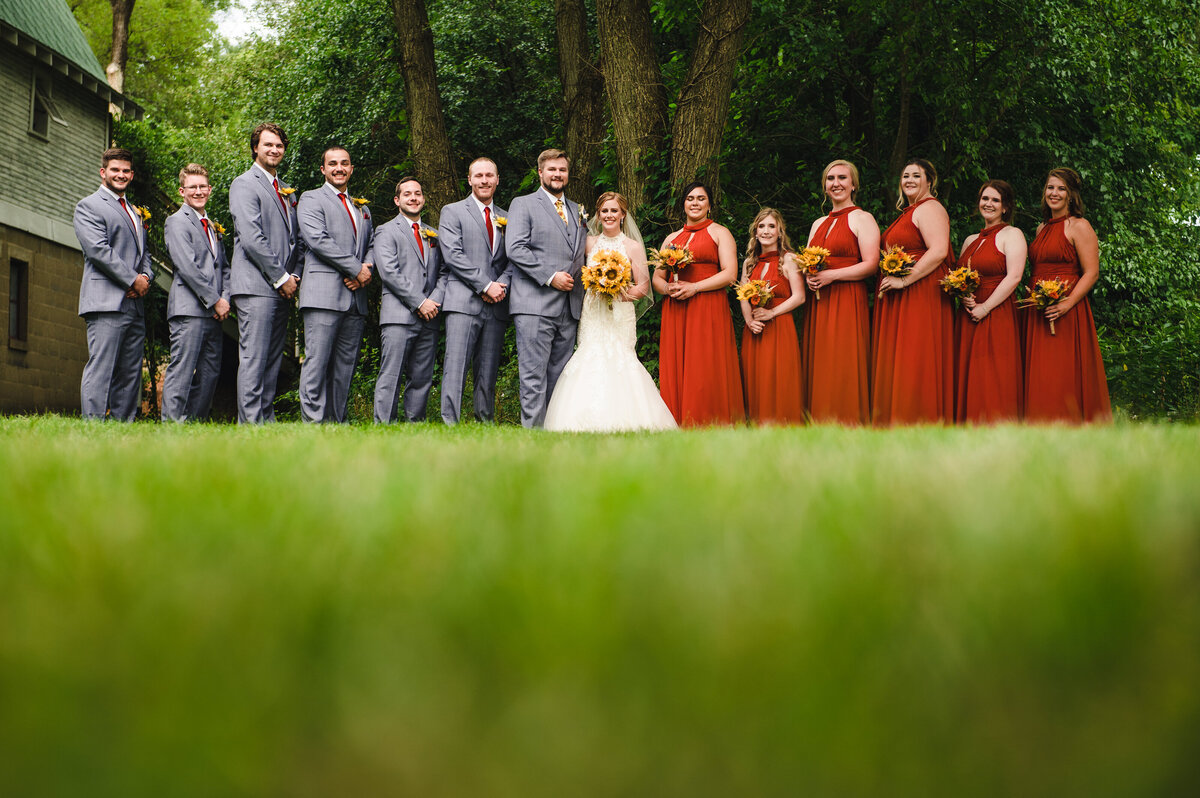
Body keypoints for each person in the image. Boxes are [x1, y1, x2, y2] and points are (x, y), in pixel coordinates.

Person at [543, 192, 677, 431]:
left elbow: (644, 286)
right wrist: (597, 285)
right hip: (594, 311)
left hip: (620, 313)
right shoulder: (589, 243)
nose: (609, 215)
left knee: (621, 358)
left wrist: (619, 292)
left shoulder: (633, 247)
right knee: (590, 354)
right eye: (604, 211)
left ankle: (630, 420)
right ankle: (581, 421)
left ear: (623, 215)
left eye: (614, 211)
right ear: (598, 214)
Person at [504, 149, 587, 428]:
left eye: (562, 170)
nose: (557, 174)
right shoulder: (523, 204)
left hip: (569, 306)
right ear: (540, 172)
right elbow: (515, 247)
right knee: (533, 376)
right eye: (552, 169)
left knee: (561, 378)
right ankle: (533, 436)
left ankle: (553, 432)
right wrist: (550, 276)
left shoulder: (577, 210)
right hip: (534, 304)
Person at [1023, 168, 1112, 422]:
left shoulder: (1079, 226)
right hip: (1038, 309)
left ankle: (1069, 422)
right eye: (1051, 188)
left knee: (1061, 371)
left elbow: (1091, 273)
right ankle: (1039, 424)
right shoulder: (1041, 228)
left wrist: (1066, 304)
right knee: (1041, 372)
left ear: (1071, 196)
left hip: (1067, 311)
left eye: (1061, 189)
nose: (1054, 193)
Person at [652, 181, 744, 425]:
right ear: (683, 204)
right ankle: (676, 420)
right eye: (690, 198)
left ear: (709, 205)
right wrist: (668, 288)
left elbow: (730, 274)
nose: (695, 203)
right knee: (678, 364)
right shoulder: (672, 238)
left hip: (707, 307)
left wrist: (695, 287)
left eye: (701, 199)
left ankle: (708, 420)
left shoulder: (720, 232)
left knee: (704, 364)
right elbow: (657, 278)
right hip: (676, 308)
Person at [871, 158, 955, 425]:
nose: (908, 180)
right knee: (903, 359)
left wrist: (905, 281)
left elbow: (939, 250)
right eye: (905, 176)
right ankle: (899, 417)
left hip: (921, 291)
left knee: (916, 354)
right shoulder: (909, 212)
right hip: (902, 292)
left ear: (930, 181)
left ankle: (919, 417)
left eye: (916, 176)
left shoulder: (930, 208)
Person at [228, 123, 302, 424]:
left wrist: (294, 274)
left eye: (279, 145)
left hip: (282, 287)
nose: (274, 150)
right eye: (268, 144)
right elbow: (251, 237)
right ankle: (250, 424)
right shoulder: (244, 184)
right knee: (255, 358)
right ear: (255, 148)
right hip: (257, 286)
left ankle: (265, 420)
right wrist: (282, 277)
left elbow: (296, 240)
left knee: (272, 360)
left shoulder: (285, 190)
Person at [73, 147, 153, 421]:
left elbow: (145, 254)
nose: (121, 175)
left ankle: (123, 431)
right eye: (115, 170)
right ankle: (93, 428)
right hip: (106, 301)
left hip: (134, 304)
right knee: (102, 369)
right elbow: (98, 250)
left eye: (126, 171)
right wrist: (132, 279)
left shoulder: (135, 211)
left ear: (132, 174)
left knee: (130, 373)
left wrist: (146, 278)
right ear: (103, 172)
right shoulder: (88, 206)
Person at [296, 146, 375, 423]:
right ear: (323, 170)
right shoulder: (310, 199)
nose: (339, 168)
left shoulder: (361, 208)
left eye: (344, 163)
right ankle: (313, 425)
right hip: (322, 296)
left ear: (351, 168)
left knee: (344, 368)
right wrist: (355, 269)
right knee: (317, 364)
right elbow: (317, 240)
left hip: (355, 299)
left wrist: (367, 269)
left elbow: (372, 245)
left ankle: (336, 424)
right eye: (333, 164)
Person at [802, 160, 879, 425]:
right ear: (824, 186)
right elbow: (809, 261)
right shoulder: (818, 223)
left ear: (853, 184)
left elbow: (871, 264)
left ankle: (847, 418)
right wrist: (809, 276)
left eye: (842, 178)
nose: (836, 183)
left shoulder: (862, 218)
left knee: (843, 357)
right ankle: (820, 419)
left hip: (847, 298)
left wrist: (831, 275)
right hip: (820, 301)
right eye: (830, 179)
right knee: (822, 360)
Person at [437, 157, 512, 424]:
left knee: (488, 371)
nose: (484, 180)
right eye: (478, 175)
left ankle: (484, 423)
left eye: (489, 175)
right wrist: (485, 285)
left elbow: (514, 259)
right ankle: (450, 423)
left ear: (497, 179)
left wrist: (500, 285)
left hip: (496, 304)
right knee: (455, 367)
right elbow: (453, 255)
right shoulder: (453, 211)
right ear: (469, 179)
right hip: (463, 302)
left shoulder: (507, 216)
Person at [161, 163, 231, 422]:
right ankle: (172, 425)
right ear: (182, 191)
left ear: (210, 189)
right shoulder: (176, 222)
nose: (199, 191)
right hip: (189, 310)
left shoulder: (212, 226)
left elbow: (224, 267)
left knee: (210, 373)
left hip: (214, 313)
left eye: (203, 186)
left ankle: (195, 425)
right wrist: (214, 300)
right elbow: (187, 267)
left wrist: (226, 298)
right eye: (193, 187)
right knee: (182, 369)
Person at [373, 177, 444, 423]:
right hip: (399, 317)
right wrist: (419, 302)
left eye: (417, 193)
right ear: (397, 200)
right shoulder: (386, 231)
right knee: (391, 375)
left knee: (422, 377)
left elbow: (445, 272)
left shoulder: (434, 233)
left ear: (423, 199)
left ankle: (415, 427)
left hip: (430, 317)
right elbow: (389, 272)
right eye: (407, 194)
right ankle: (384, 427)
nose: (413, 198)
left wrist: (434, 301)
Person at [956, 180, 1025, 423]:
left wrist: (985, 308)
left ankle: (996, 426)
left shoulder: (1012, 235)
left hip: (997, 312)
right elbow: (961, 278)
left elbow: (1014, 276)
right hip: (968, 314)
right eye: (985, 199)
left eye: (995, 200)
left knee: (994, 373)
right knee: (969, 373)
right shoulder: (970, 240)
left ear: (1005, 207)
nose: (989, 204)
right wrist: (964, 295)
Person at [739, 208, 805, 424]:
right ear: (755, 232)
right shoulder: (750, 263)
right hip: (755, 329)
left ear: (779, 232)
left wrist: (772, 313)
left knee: (780, 377)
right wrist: (749, 321)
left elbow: (799, 297)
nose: (766, 231)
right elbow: (742, 296)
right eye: (761, 226)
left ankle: (785, 425)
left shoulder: (789, 259)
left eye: (771, 226)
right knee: (757, 379)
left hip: (780, 326)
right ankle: (758, 425)